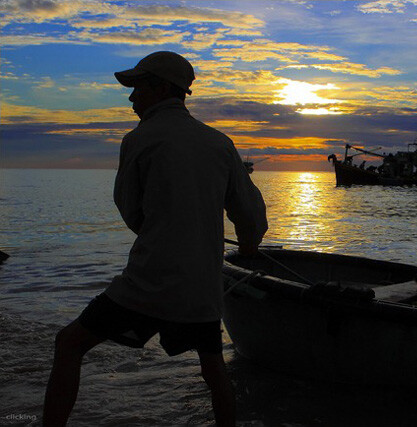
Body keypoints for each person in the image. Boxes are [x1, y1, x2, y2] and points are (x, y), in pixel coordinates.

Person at [43, 51, 268, 427]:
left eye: (137, 88)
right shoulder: (219, 143)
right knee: (215, 375)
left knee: (69, 344)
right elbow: (251, 214)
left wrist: (163, 233)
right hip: (202, 290)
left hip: (148, 283)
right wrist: (248, 245)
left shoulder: (139, 139)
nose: (131, 98)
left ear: (162, 88)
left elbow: (131, 211)